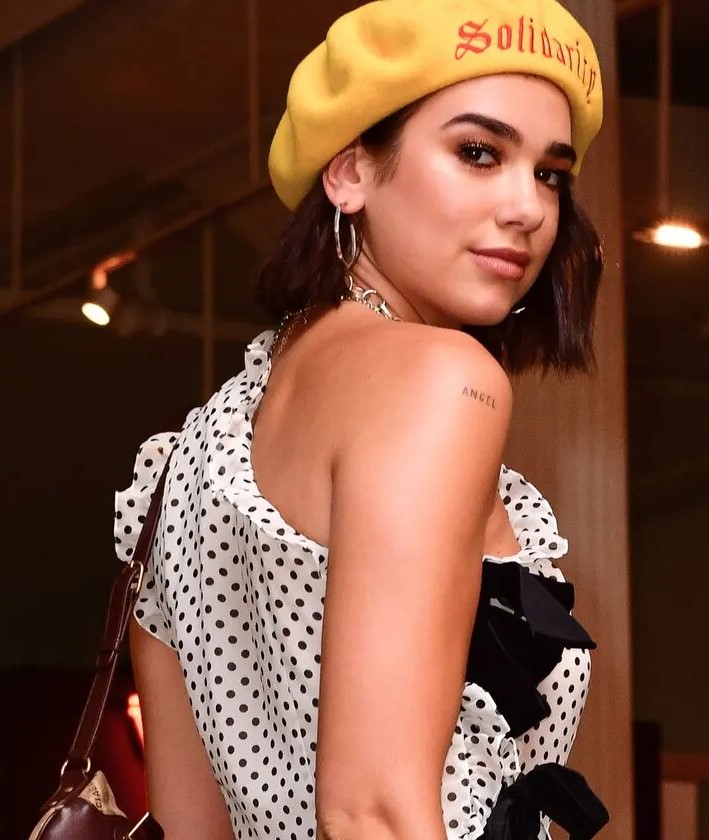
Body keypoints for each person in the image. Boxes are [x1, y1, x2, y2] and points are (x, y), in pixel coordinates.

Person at [118, 1, 611, 838]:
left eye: (549, 174)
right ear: (347, 172)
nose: (527, 206)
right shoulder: (442, 382)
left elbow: (189, 825)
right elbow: (372, 811)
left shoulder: (188, 457)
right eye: (478, 153)